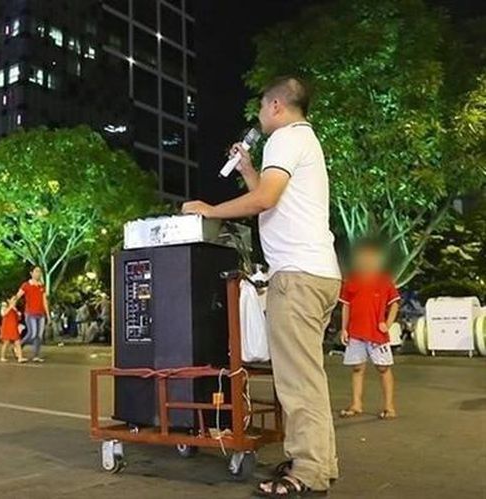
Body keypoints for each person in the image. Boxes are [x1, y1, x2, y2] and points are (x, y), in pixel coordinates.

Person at [183, 76, 341, 497]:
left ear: (275, 106)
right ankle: (319, 461)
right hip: (317, 272)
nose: (258, 115)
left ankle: (308, 472)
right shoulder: (303, 140)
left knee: (297, 381)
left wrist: (210, 210)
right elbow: (271, 198)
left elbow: (264, 201)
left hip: (297, 276)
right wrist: (249, 169)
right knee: (308, 376)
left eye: (260, 107)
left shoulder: (285, 138)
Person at [339, 240, 400, 420]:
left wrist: (387, 324)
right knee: (357, 368)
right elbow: (346, 306)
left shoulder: (384, 281)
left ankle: (389, 407)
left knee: (383, 368)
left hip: (377, 334)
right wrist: (344, 329)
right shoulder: (352, 280)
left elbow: (395, 304)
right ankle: (356, 404)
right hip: (355, 333)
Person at [16, 266, 50, 363]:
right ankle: (19, 346)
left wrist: (48, 315)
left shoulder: (41, 286)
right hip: (30, 313)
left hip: (41, 314)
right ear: (31, 273)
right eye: (36, 271)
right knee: (32, 334)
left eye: (39, 272)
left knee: (39, 336)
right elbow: (18, 296)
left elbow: (44, 301)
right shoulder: (26, 285)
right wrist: (11, 306)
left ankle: (36, 356)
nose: (38, 273)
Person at [0, 295, 26, 363]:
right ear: (9, 300)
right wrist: (10, 307)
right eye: (13, 299)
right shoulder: (5, 306)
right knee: (6, 342)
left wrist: (18, 314)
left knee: (17, 342)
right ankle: (2, 357)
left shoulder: (15, 309)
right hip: (7, 328)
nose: (15, 301)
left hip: (14, 328)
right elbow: (3, 314)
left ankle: (20, 357)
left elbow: (18, 318)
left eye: (16, 300)